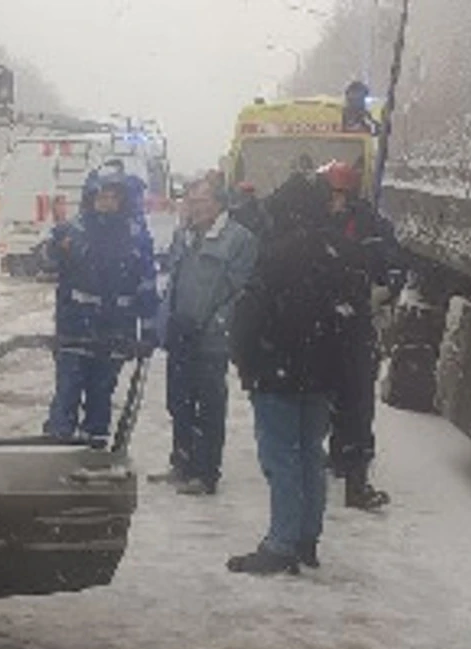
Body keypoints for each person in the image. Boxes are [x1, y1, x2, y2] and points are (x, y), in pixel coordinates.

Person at [226, 172, 346, 574]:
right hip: (322, 372)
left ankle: (281, 543)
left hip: (278, 370)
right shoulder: (335, 252)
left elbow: (250, 312)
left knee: (281, 458)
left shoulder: (276, 253)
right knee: (311, 455)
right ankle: (307, 538)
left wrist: (245, 360)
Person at [155, 173, 259, 495]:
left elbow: (239, 291)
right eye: (191, 202)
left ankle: (205, 472)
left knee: (209, 405)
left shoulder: (238, 239)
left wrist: (212, 325)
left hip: (211, 338)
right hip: (181, 333)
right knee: (178, 401)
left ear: (219, 204)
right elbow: (171, 280)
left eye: (201, 202)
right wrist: (166, 321)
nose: (194, 208)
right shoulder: (184, 236)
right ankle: (181, 462)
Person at [45, 168, 159, 445]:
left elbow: (146, 282)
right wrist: (56, 248)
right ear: (90, 198)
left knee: (101, 391)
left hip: (115, 328)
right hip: (75, 326)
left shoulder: (136, 236)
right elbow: (47, 263)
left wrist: (149, 329)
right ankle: (57, 445)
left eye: (112, 197)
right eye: (101, 196)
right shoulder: (75, 229)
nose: (106, 202)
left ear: (122, 200)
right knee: (67, 390)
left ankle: (94, 447)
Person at [318, 159, 402, 510]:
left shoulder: (369, 224)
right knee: (327, 398)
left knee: (356, 404)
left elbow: (393, 266)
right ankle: (335, 456)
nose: (333, 200)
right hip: (322, 325)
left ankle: (355, 475)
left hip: (355, 326)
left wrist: (381, 293)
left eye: (337, 193)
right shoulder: (315, 222)